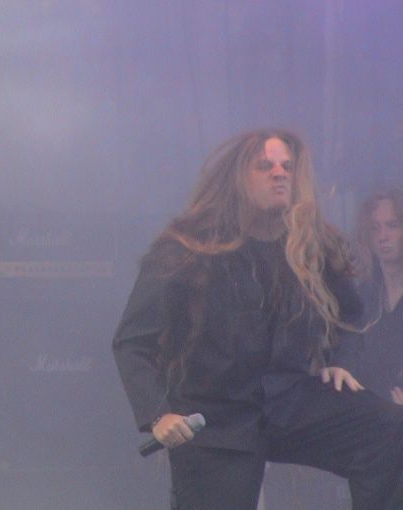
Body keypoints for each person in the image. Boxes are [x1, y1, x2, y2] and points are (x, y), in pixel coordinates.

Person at [112, 129, 403, 510]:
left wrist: (338, 360)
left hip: (290, 403)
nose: (279, 174)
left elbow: (350, 314)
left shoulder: (309, 244)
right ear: (237, 177)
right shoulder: (187, 247)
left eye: (287, 166)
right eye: (265, 166)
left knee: (389, 429)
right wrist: (158, 414)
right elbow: (133, 340)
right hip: (216, 420)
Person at [351, 189, 403, 403]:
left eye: (392, 225)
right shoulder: (362, 297)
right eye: (375, 228)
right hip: (369, 410)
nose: (383, 236)